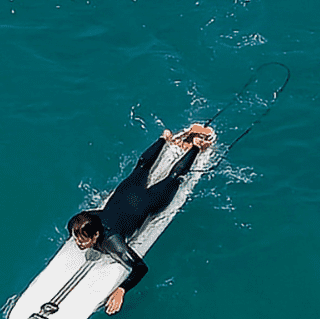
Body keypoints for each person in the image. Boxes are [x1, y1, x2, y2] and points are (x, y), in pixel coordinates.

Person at [66, 125, 216, 314]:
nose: (77, 241)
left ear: (97, 234)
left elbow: (140, 268)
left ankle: (195, 146)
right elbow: (82, 222)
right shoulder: (75, 222)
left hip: (148, 202)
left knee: (175, 177)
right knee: (141, 167)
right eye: (77, 237)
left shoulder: (113, 241)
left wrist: (121, 290)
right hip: (125, 193)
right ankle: (163, 139)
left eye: (83, 239)